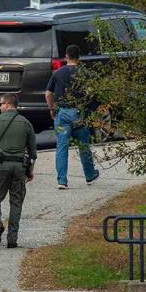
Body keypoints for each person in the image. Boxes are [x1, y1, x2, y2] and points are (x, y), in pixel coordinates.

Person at [0, 93, 36, 248]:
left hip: (0, 167)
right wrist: (30, 172)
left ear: (8, 104)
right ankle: (12, 239)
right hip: (19, 168)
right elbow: (32, 153)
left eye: (1, 104)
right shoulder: (26, 123)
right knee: (16, 202)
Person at [45, 44, 100, 189]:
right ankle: (89, 175)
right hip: (78, 114)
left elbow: (48, 94)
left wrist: (51, 109)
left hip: (62, 113)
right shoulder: (85, 73)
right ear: (79, 57)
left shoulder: (58, 73)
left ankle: (61, 180)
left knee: (62, 146)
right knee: (83, 145)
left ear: (66, 56)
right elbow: (92, 93)